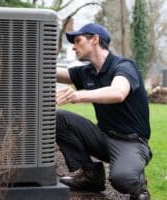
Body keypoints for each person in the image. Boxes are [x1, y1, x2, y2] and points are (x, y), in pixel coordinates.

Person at [56, 23, 152, 200]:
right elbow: (52, 72)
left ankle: (139, 185)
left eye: (77, 40)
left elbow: (118, 93)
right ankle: (91, 176)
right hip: (102, 137)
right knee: (58, 118)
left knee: (122, 180)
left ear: (95, 39)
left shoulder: (123, 66)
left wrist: (78, 95)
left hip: (130, 141)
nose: (73, 46)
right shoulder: (87, 72)